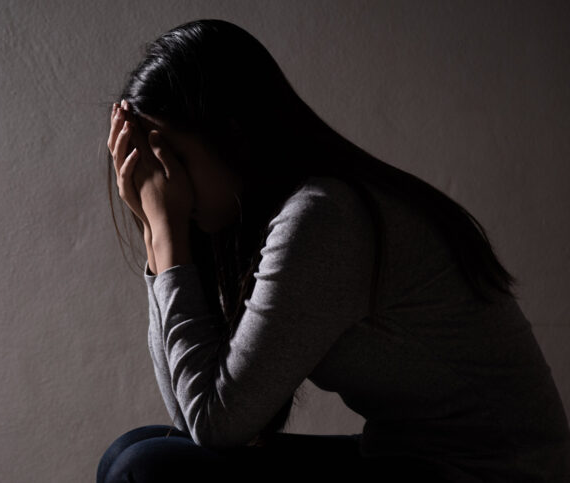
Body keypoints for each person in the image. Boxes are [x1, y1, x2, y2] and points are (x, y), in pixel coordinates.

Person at [98, 19, 570, 483]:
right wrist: (156, 234)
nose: (164, 186)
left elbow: (214, 423)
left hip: (491, 472)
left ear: (233, 134)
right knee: (136, 449)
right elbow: (190, 415)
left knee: (144, 468)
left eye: (169, 161)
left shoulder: (325, 217)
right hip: (407, 455)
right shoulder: (275, 216)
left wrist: (166, 230)